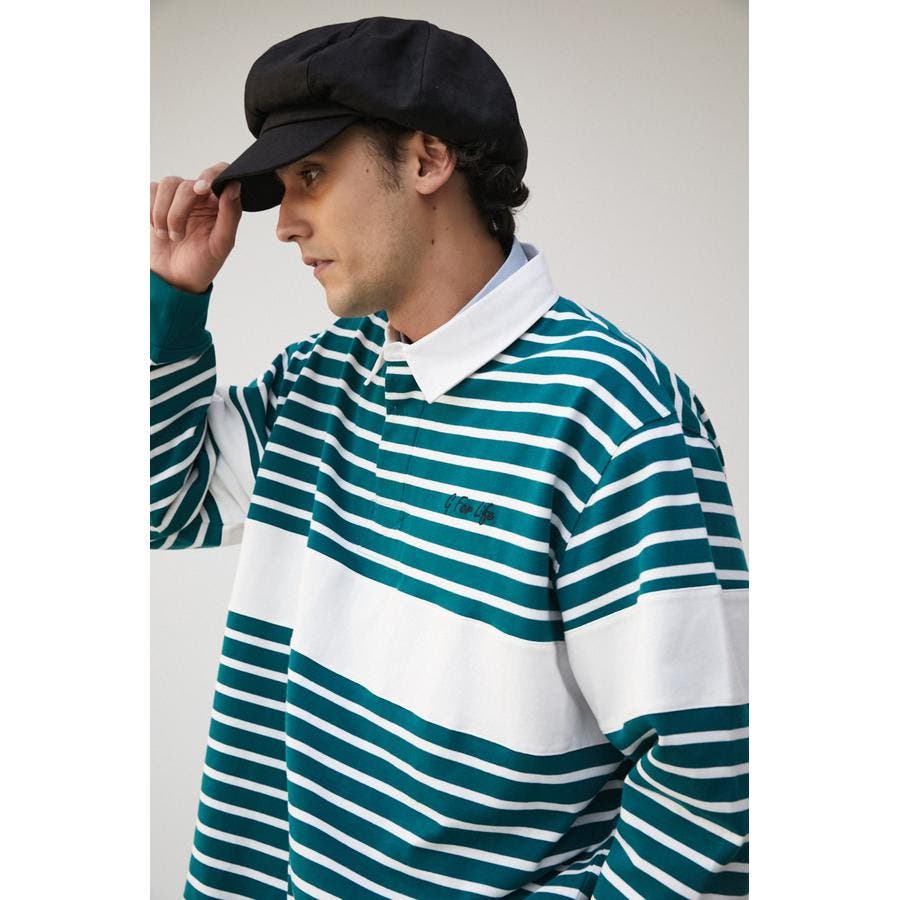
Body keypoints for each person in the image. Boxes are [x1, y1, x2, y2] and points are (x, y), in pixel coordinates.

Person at [150, 16, 749, 900]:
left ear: (429, 159)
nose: (285, 225)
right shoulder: (323, 377)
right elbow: (162, 506)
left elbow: (711, 785)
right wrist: (172, 298)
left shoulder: (612, 415)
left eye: (312, 175)